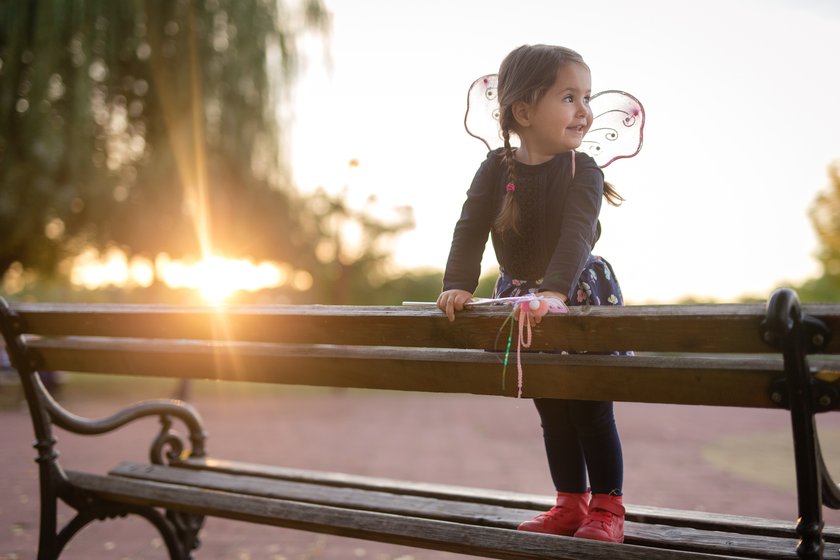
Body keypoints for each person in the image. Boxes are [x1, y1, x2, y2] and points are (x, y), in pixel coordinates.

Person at [436, 44, 627, 543]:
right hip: (522, 299)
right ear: (524, 111)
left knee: (588, 404)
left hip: (576, 294)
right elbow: (470, 227)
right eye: (569, 97)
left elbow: (577, 234)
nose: (584, 110)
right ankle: (569, 502)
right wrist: (457, 284)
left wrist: (555, 292)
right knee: (551, 404)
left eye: (587, 97)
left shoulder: (582, 170)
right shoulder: (496, 168)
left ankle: (607, 506)